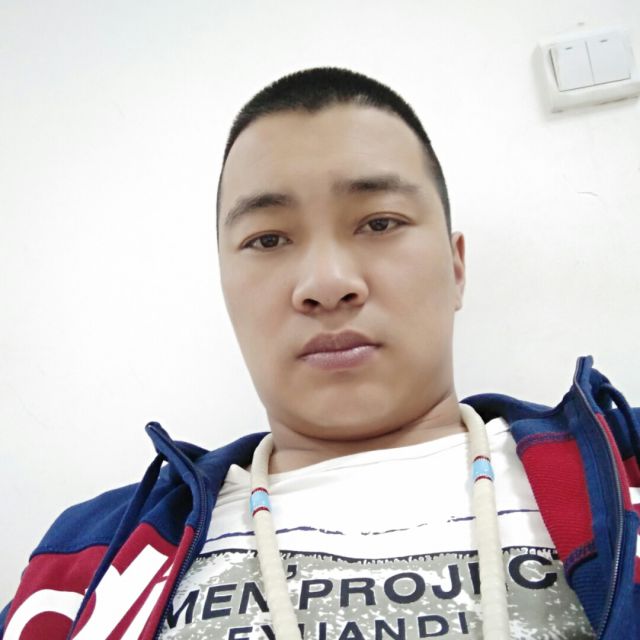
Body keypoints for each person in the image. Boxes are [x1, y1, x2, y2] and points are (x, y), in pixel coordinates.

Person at [1, 66, 639, 640]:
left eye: (379, 223)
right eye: (268, 239)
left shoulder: (624, 475)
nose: (327, 283)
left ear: (455, 267)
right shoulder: (89, 558)